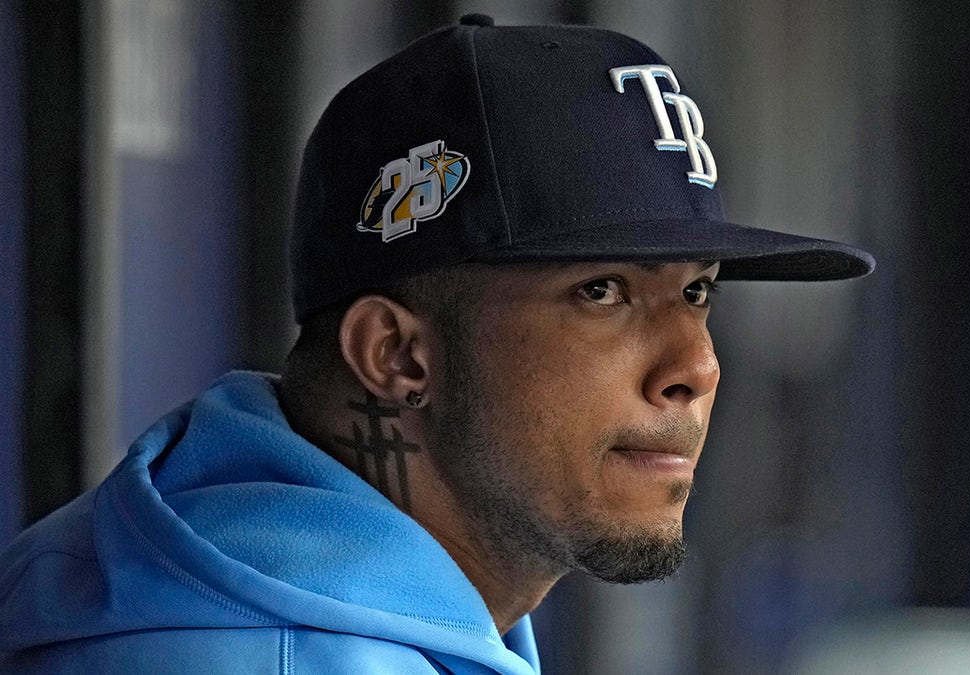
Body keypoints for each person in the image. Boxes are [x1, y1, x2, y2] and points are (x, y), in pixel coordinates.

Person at [0, 14, 872, 674]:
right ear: (395, 354)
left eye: (696, 292)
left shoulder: (154, 566)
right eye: (602, 292)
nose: (696, 368)